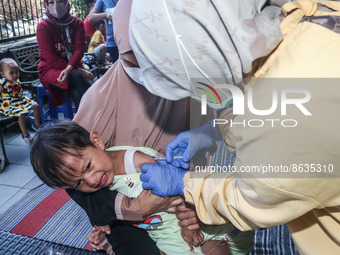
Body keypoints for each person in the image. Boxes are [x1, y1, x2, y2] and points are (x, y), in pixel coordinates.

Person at [128, 0, 340, 254]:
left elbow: (254, 197)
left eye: (192, 86)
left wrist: (186, 182)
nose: (197, 95)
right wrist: (216, 129)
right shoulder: (302, 24)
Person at [30, 120, 254, 255]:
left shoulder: (137, 162)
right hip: (165, 235)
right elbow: (104, 205)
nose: (90, 180)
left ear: (97, 142)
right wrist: (101, 225)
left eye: (88, 166)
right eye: (78, 183)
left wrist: (190, 225)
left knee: (215, 244)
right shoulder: (102, 176)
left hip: (189, 226)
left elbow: (179, 191)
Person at [36, 0, 93, 110]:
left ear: (67, 3)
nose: (56, 6)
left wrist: (69, 69)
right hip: (50, 69)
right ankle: (95, 115)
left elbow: (79, 50)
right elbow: (51, 58)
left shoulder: (77, 23)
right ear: (47, 5)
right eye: (51, 2)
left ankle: (79, 124)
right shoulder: (43, 27)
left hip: (73, 68)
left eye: (60, 1)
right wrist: (79, 70)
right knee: (78, 77)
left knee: (77, 90)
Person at [0, 58, 41, 144]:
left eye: (17, 72)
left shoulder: (15, 80)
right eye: (11, 73)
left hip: (21, 100)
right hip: (11, 104)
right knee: (21, 114)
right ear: (3, 74)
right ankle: (25, 135)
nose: (15, 75)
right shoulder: (3, 83)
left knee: (36, 106)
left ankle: (37, 126)